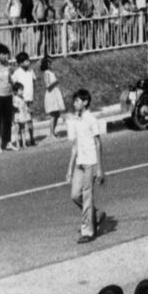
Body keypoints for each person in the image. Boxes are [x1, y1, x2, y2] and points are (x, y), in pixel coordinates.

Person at [63, 86, 104, 242]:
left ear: (85, 102)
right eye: (74, 101)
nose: (75, 104)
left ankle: (87, 231)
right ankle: (94, 214)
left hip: (91, 163)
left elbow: (98, 144)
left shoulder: (91, 120)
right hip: (79, 163)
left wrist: (100, 168)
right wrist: (69, 168)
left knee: (87, 195)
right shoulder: (77, 121)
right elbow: (75, 146)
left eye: (78, 101)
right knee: (75, 195)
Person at [10, 52, 36, 150]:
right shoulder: (17, 72)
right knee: (21, 121)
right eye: (25, 61)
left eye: (28, 61)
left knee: (29, 119)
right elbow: (13, 84)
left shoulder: (31, 71)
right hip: (20, 101)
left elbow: (34, 82)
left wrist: (33, 94)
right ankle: (21, 141)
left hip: (29, 98)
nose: (28, 63)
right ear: (20, 63)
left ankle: (31, 137)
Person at [41, 57, 66, 139]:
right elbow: (48, 85)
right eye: (48, 63)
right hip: (51, 94)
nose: (50, 64)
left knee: (57, 114)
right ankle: (51, 133)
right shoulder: (46, 73)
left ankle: (54, 132)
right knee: (53, 114)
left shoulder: (50, 72)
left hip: (55, 92)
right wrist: (55, 82)